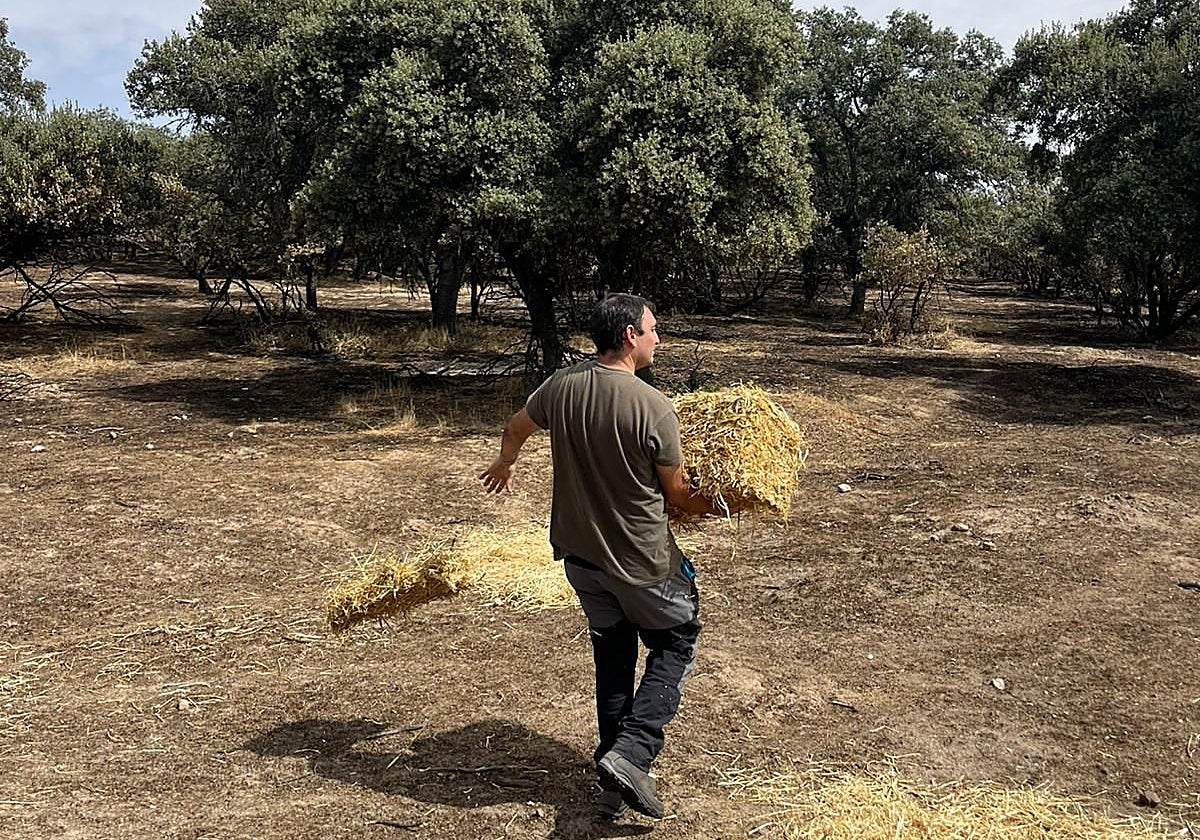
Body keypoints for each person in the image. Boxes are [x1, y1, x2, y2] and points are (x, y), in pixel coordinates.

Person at [479, 293, 727, 821]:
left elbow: (516, 427)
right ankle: (634, 753)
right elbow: (678, 496)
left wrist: (504, 464)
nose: (659, 337)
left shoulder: (562, 386)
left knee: (613, 663)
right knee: (676, 643)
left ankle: (611, 787)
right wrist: (723, 502)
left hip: (580, 560)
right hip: (641, 563)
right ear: (630, 336)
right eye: (654, 328)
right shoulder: (652, 406)